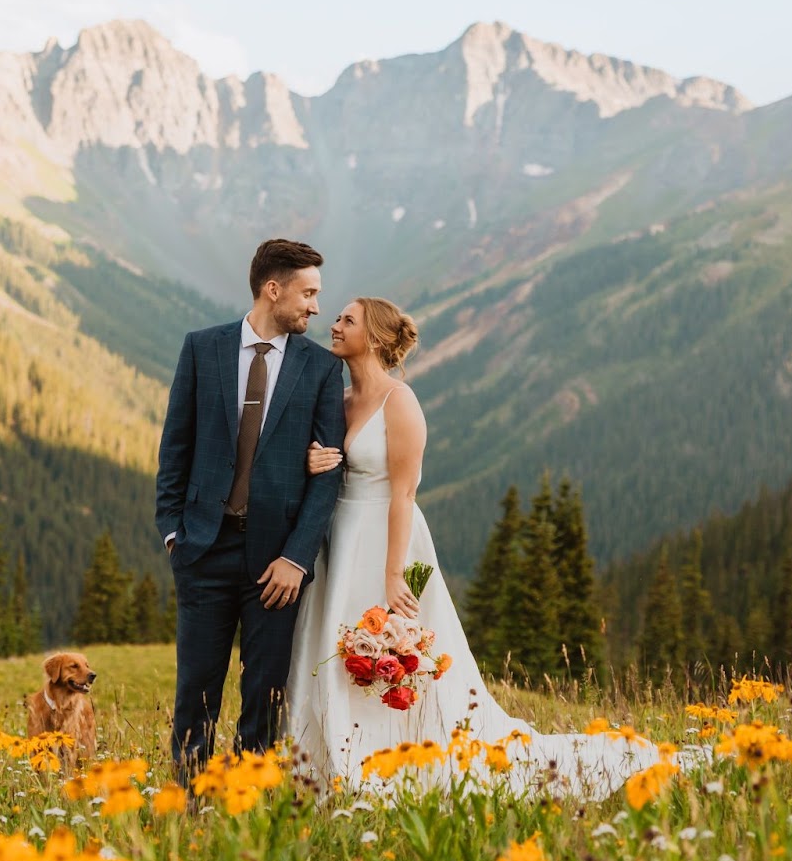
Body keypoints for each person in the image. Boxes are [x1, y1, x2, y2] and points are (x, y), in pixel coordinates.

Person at [285, 297, 677, 798]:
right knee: (335, 651)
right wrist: (316, 460)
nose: (334, 325)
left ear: (377, 337)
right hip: (338, 538)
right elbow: (332, 463)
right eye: (337, 318)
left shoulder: (399, 401)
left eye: (347, 320)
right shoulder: (338, 401)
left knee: (390, 650)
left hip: (386, 538)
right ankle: (328, 763)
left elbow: (403, 493)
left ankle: (394, 761)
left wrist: (392, 573)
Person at [156, 239, 346, 778]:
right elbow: (176, 448)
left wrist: (297, 557)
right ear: (273, 289)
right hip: (203, 549)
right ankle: (188, 801)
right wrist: (174, 534)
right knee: (196, 689)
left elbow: (329, 475)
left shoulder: (321, 369)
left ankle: (245, 803)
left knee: (264, 692)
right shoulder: (202, 348)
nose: (315, 307)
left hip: (276, 564)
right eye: (308, 294)